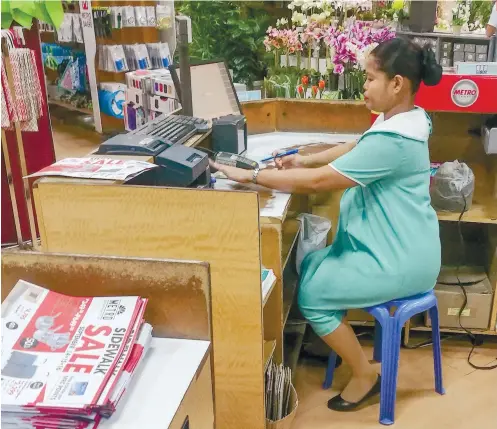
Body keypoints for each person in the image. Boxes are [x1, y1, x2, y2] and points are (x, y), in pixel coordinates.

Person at [211, 37, 443, 411]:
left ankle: (364, 372)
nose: (363, 87)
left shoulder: (396, 139)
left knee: (312, 296)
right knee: (315, 264)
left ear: (396, 83)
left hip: (400, 260)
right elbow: (357, 147)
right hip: (402, 247)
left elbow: (322, 183)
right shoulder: (403, 122)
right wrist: (304, 159)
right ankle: (336, 335)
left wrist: (252, 176)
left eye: (369, 79)